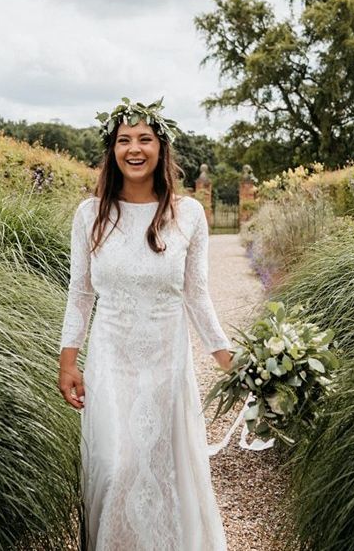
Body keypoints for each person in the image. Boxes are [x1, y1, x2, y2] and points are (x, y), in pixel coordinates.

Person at [57, 97, 233, 550]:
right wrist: (68, 361)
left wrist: (229, 358)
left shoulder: (189, 214)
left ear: (161, 147)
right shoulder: (89, 215)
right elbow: (81, 293)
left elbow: (196, 293)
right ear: (112, 151)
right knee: (116, 467)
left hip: (165, 363)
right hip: (111, 361)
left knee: (159, 468)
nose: (134, 149)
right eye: (124, 140)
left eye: (145, 139)